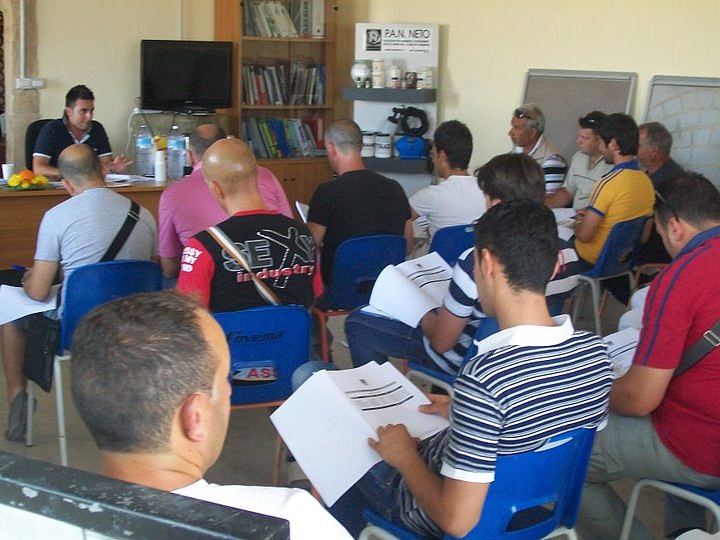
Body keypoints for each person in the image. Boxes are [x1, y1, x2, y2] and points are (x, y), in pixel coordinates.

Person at [332, 199, 612, 538]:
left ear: (487, 264)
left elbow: (457, 521)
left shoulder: (486, 378)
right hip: (533, 510)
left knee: (337, 432)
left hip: (436, 508)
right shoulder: (595, 353)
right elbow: (551, 435)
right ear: (555, 266)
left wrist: (404, 457)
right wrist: (464, 413)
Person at [70, 291, 351, 539]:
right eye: (224, 379)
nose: (229, 389)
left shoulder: (45, 523)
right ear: (195, 417)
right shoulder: (291, 520)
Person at [345, 153, 581, 376]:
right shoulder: (567, 252)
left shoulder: (480, 260)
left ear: (497, 203)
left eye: (486, 197)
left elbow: (441, 343)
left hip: (468, 361)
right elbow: (559, 313)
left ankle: (379, 397)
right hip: (530, 358)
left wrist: (422, 313)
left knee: (358, 322)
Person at [578, 173, 720, 540]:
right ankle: (685, 531)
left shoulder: (683, 276)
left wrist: (590, 389)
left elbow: (640, 399)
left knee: (568, 456)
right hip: (708, 426)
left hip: (701, 445)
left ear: (674, 227)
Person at [1, 143, 157, 441]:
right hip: (135, 324)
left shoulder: (57, 216)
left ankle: (17, 397)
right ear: (103, 171)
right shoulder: (144, 214)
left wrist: (31, 278)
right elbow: (148, 268)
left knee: (10, 315)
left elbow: (37, 293)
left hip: (76, 328)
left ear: (67, 184)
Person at [176, 138, 321, 312]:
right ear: (256, 176)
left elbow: (187, 316)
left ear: (216, 188)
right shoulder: (303, 234)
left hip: (228, 331)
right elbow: (314, 296)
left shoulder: (201, 247)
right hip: (294, 331)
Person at [158, 124, 293, 278]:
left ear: (189, 156)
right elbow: (288, 230)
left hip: (211, 282)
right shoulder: (266, 176)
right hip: (274, 276)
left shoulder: (172, 194)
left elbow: (170, 268)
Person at [307, 119, 412, 284]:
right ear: (361, 147)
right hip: (385, 289)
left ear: (331, 148)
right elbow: (408, 246)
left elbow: (309, 248)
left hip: (338, 290)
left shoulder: (327, 192)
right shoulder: (395, 188)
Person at [574, 113, 655, 271]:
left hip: (589, 260)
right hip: (621, 265)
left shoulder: (607, 183)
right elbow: (644, 237)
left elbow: (584, 236)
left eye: (601, 142)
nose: (599, 148)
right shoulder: (647, 183)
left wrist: (578, 222)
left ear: (613, 144)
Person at [408, 120, 485, 239]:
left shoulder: (431, 195)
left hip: (440, 251)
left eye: (433, 154)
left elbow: (399, 219)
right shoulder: (487, 191)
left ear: (442, 155)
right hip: (476, 251)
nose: (433, 160)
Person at [32, 84, 131, 177]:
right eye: (83, 111)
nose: (89, 116)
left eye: (91, 111)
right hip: (60, 186)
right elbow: (39, 169)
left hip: (91, 186)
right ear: (69, 111)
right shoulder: (51, 130)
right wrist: (76, 175)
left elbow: (105, 164)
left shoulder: (97, 128)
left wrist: (112, 168)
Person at [636, 121, 685, 266]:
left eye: (638, 146)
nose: (634, 151)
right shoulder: (648, 175)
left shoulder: (671, 181)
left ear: (654, 150)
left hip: (653, 253)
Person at [545, 111, 612, 210]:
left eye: (585, 138)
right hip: (573, 215)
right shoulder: (578, 157)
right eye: (579, 136)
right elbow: (568, 192)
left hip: (595, 217)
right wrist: (543, 203)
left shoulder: (612, 164)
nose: (578, 141)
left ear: (600, 140)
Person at [508, 103, 567, 194]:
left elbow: (547, 199)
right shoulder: (517, 150)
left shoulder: (552, 161)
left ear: (532, 133)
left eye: (516, 128)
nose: (510, 133)